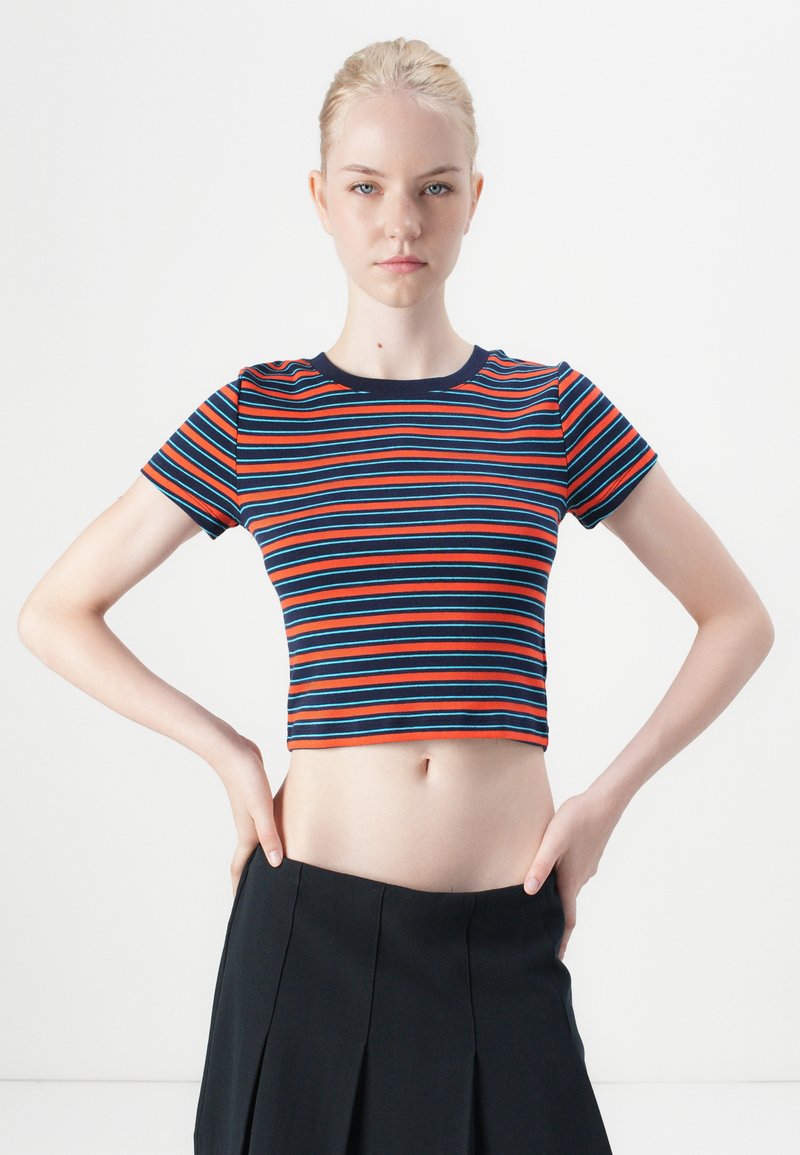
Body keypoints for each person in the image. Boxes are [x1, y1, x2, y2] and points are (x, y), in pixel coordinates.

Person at [17, 35, 774, 1155]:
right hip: (307, 934)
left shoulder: (550, 409)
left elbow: (737, 618)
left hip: (501, 935)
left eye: (434, 188)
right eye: (367, 187)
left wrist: (604, 801)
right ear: (321, 198)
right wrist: (228, 752)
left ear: (474, 199)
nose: (400, 222)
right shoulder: (259, 414)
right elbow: (54, 611)